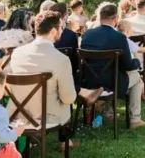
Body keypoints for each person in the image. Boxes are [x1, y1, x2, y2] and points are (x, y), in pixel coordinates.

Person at [9, 11, 87, 151]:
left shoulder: (17, 53)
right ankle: (65, 142)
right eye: (61, 28)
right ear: (52, 31)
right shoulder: (61, 59)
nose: (62, 31)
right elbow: (68, 98)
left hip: (18, 115)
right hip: (48, 117)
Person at [80, 3, 145, 129]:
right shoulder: (119, 37)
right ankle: (135, 119)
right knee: (136, 78)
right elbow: (128, 65)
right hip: (111, 82)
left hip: (88, 81)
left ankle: (108, 112)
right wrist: (137, 63)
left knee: (116, 74)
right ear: (116, 19)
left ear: (100, 17)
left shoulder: (87, 35)